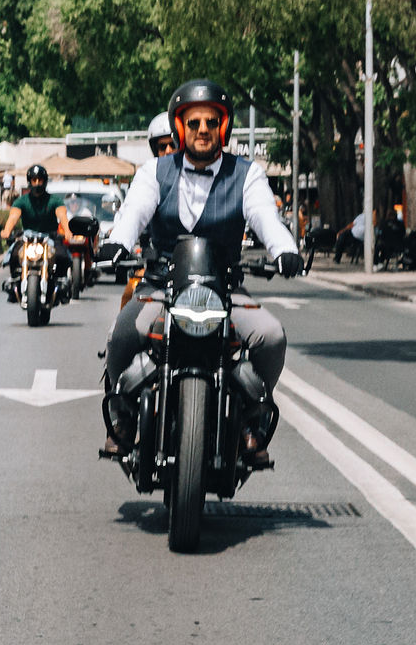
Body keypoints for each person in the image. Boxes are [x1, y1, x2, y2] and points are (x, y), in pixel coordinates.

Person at [99, 79, 304, 465]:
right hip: (161, 287)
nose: (203, 130)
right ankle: (122, 419)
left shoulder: (248, 174)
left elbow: (265, 216)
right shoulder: (153, 171)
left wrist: (285, 249)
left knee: (271, 336)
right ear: (180, 129)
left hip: (225, 289)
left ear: (224, 128)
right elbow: (134, 212)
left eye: (212, 122)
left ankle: (250, 422)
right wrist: (118, 243)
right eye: (194, 123)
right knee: (122, 334)